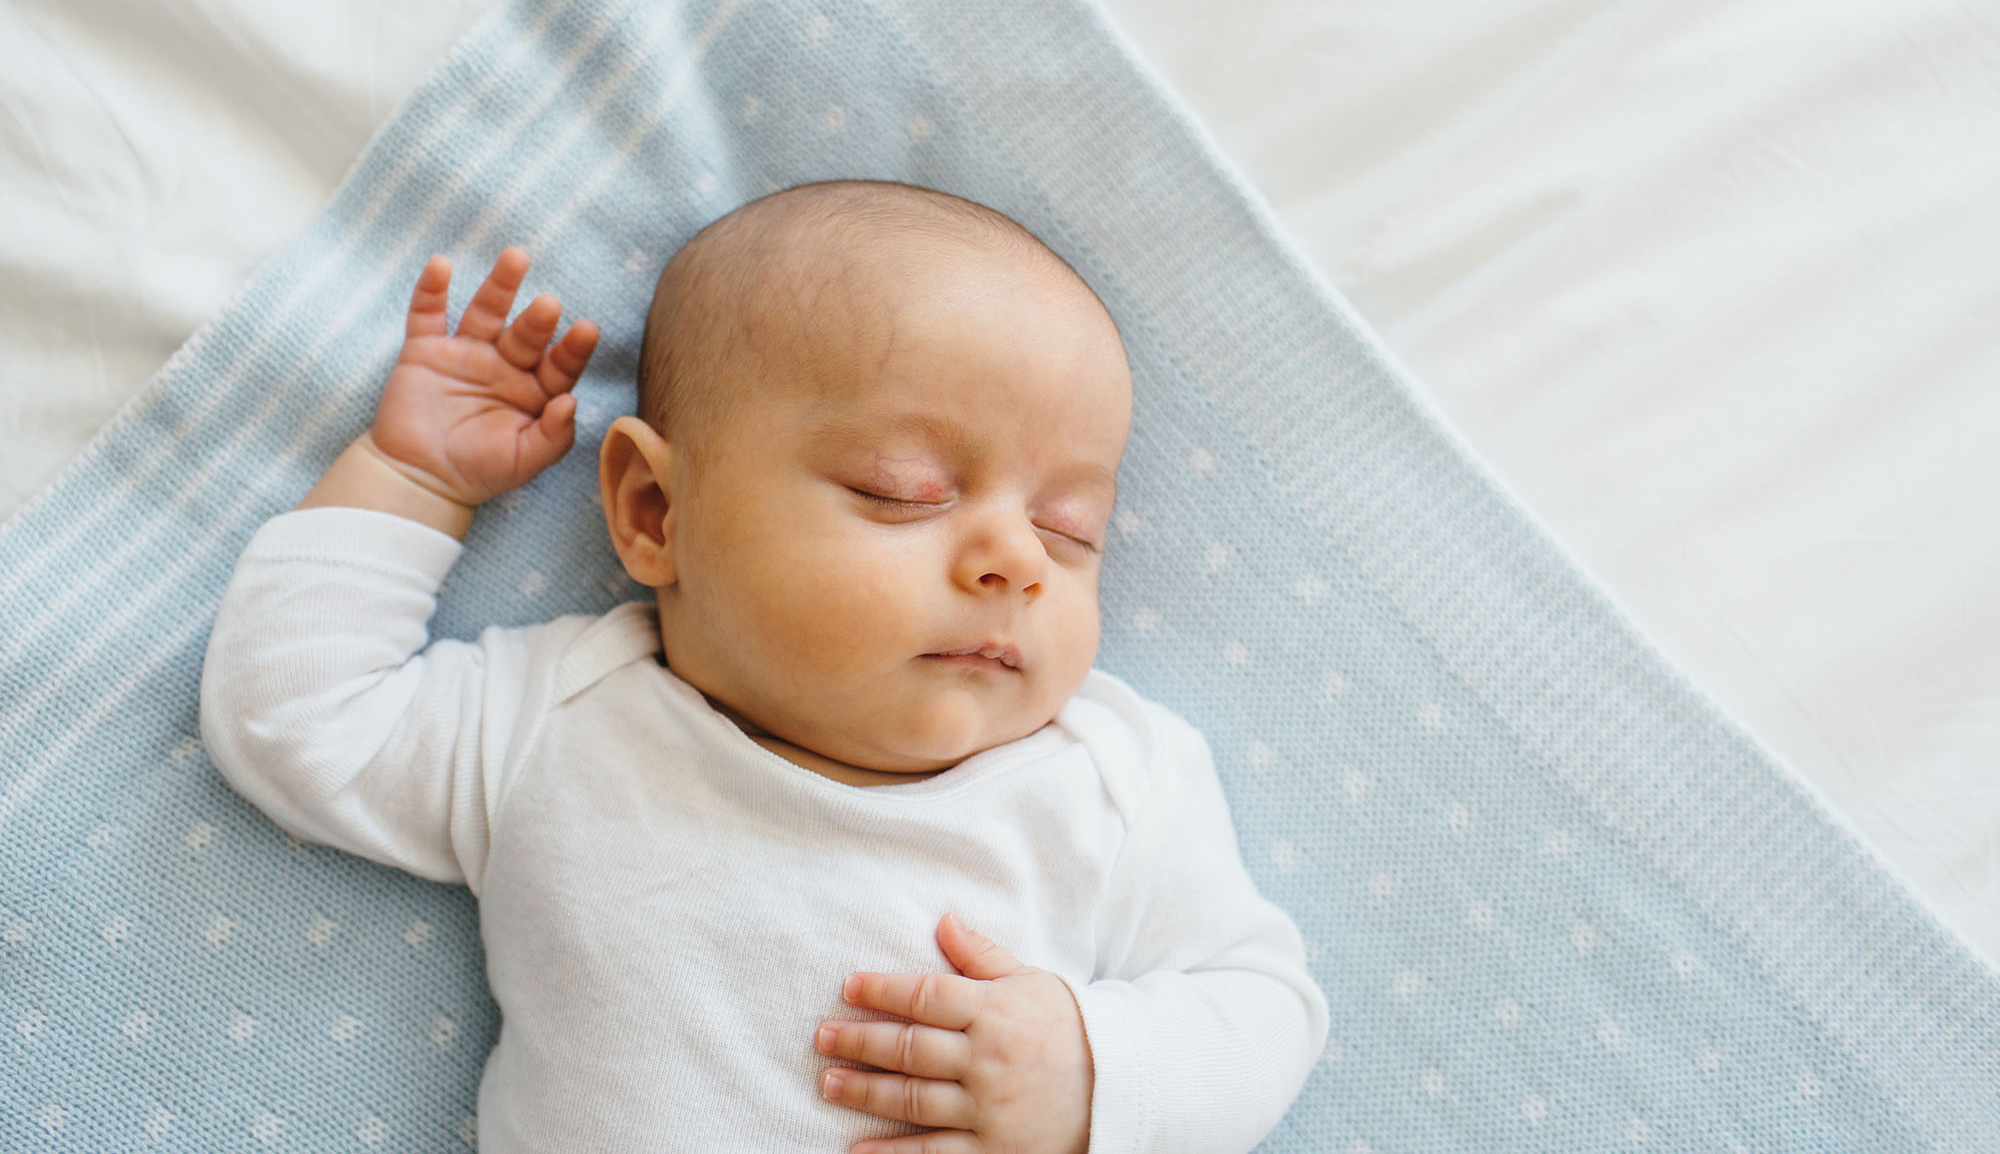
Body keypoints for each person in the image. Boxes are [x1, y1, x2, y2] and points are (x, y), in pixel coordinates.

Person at [200, 180, 1327, 1152]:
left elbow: (1264, 1007)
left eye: (1071, 527)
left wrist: (1095, 1071)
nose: (1017, 561)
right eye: (903, 491)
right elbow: (293, 719)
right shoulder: (557, 720)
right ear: (654, 510)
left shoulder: (1109, 779)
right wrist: (412, 479)